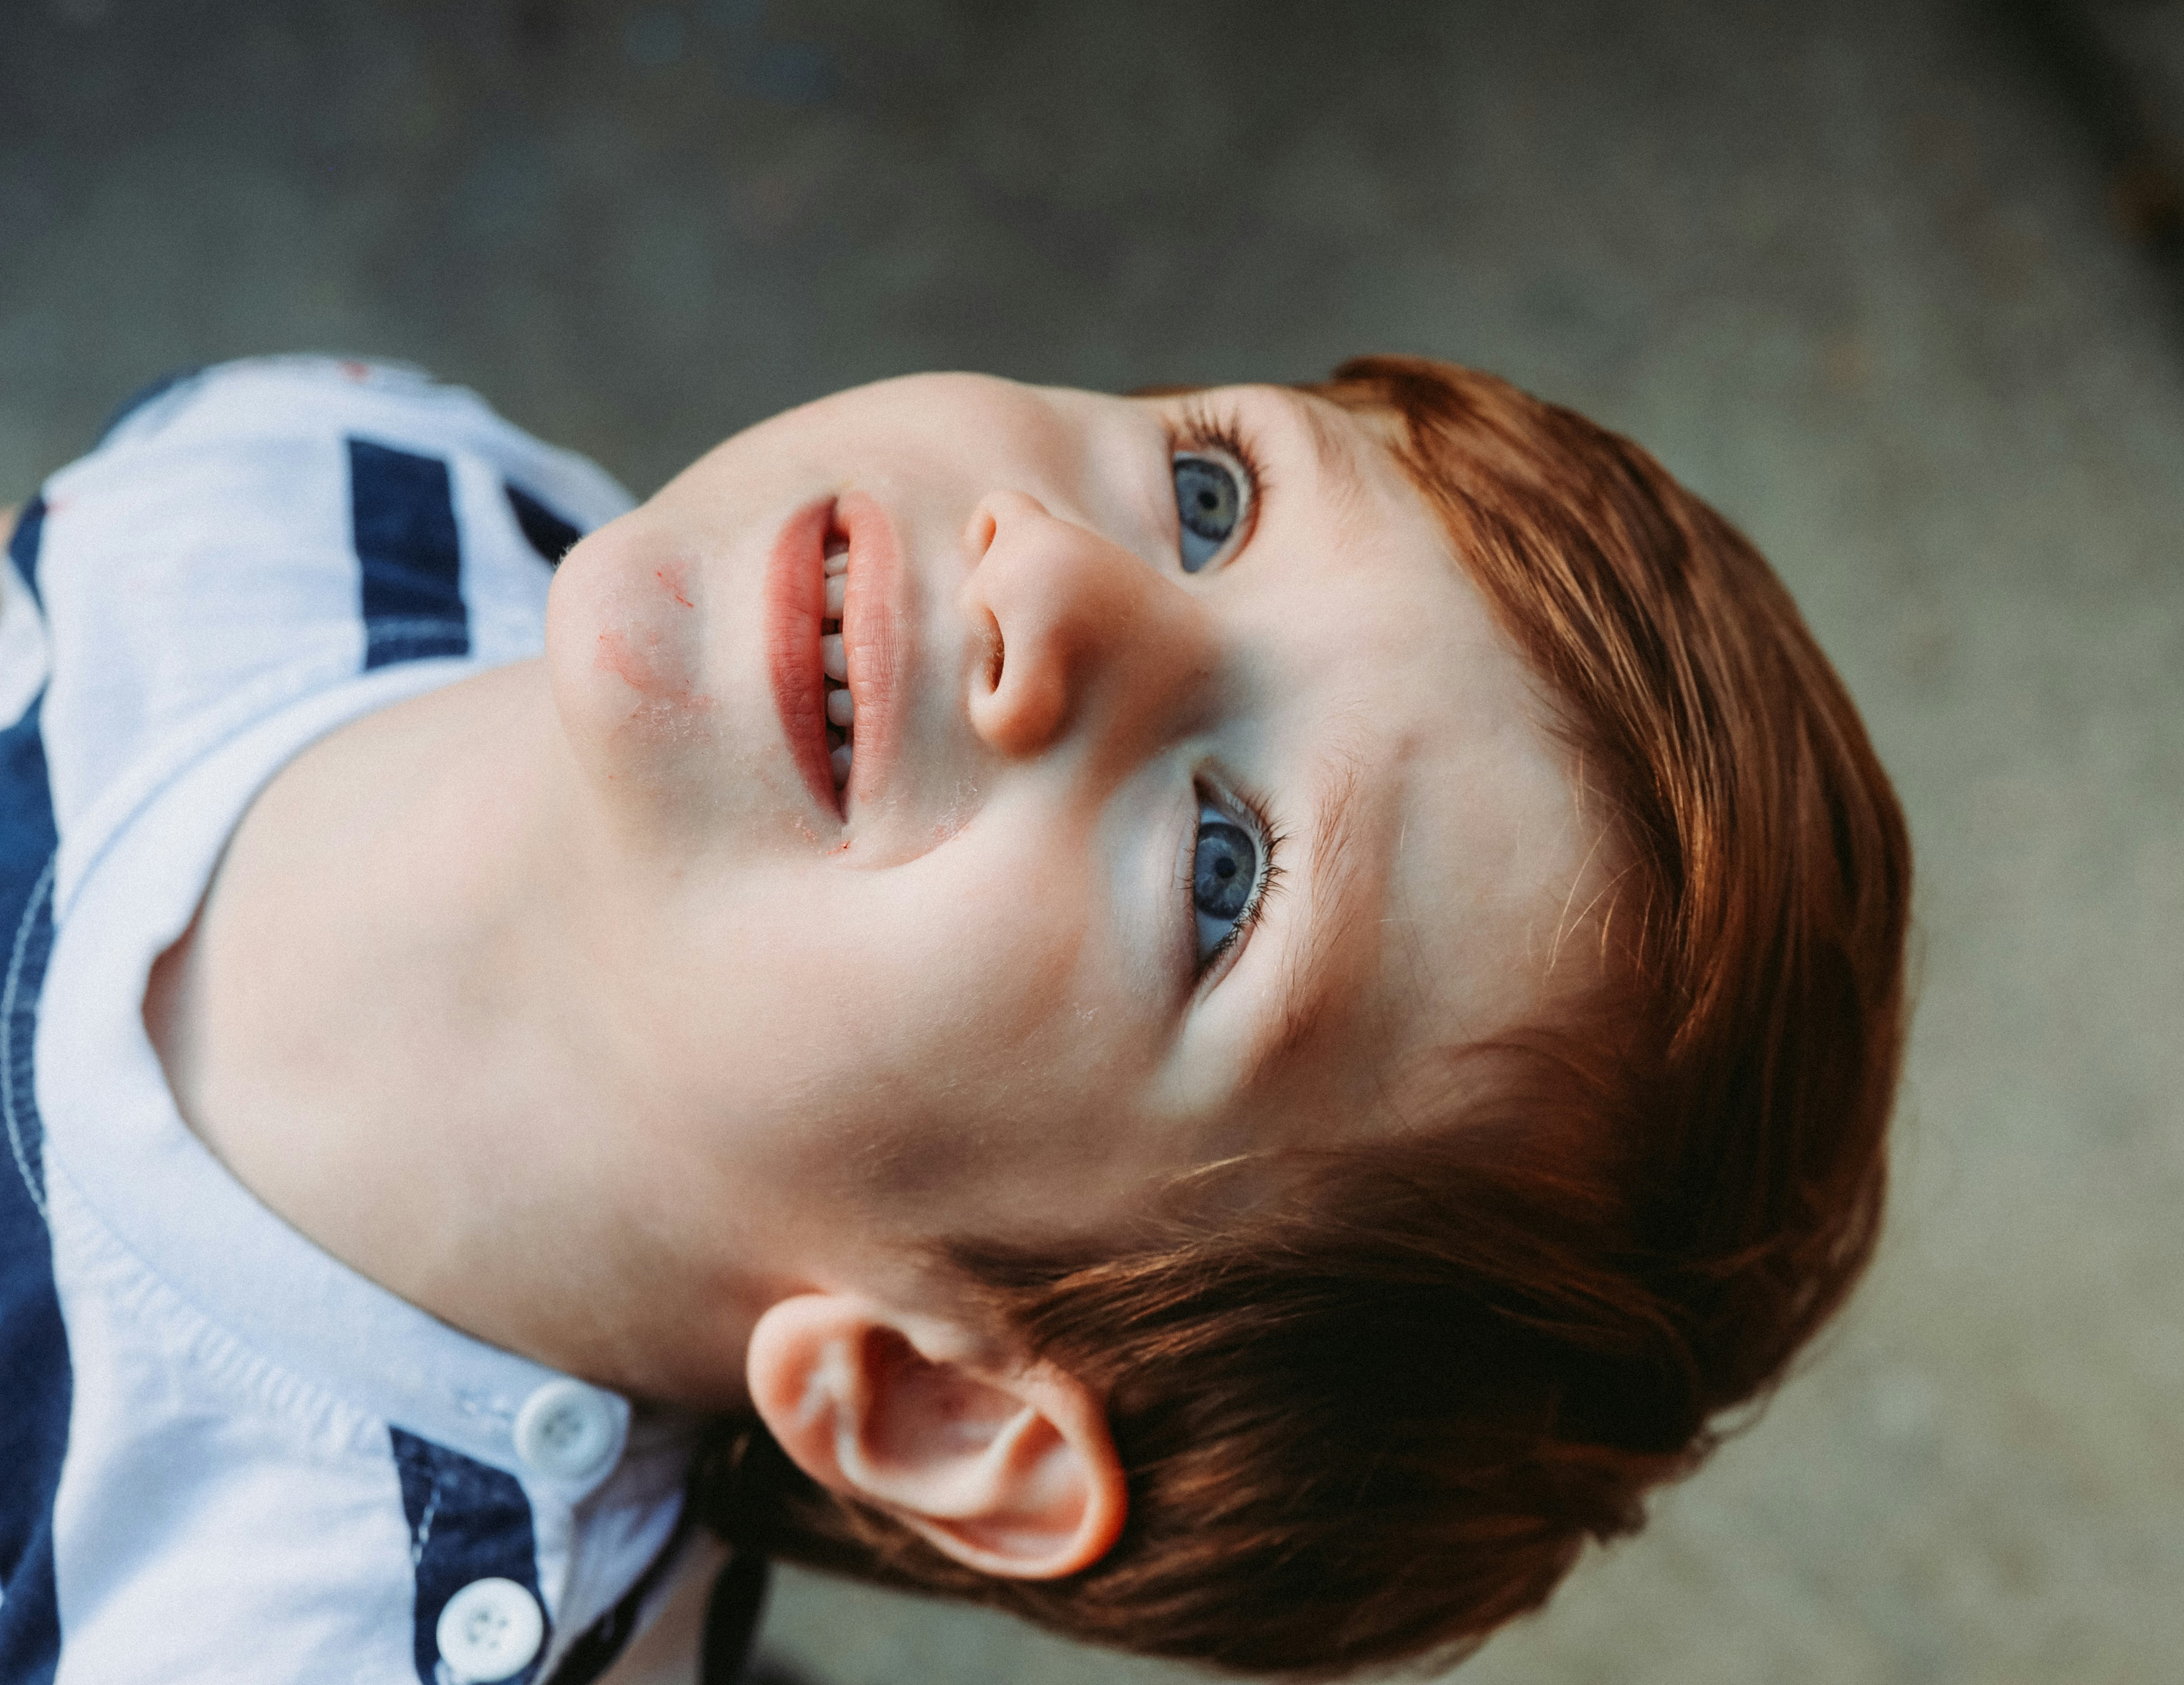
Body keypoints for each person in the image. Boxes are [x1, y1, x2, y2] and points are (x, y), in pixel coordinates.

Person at [0, 351, 1909, 1684]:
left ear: (944, 1398)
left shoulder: (244, 1627)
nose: (1058, 576)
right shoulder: (333, 485)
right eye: (1208, 494)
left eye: (1223, 874)